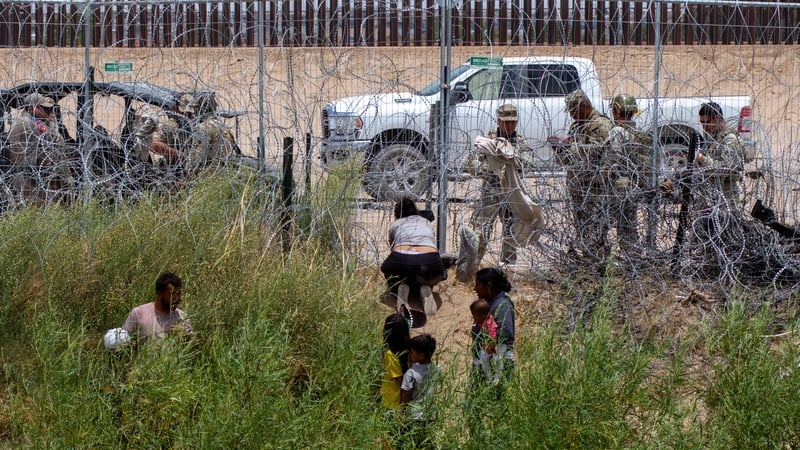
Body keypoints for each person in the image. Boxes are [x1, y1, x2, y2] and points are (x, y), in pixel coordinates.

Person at [550, 89, 613, 265]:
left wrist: (568, 147)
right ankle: (589, 264)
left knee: (596, 230)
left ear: (584, 106)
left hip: (595, 188)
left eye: (573, 111)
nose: (571, 115)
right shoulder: (577, 125)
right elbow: (567, 159)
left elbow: (596, 153)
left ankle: (598, 265)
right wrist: (560, 149)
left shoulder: (600, 125)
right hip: (578, 186)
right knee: (583, 230)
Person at [471, 103, 526, 266]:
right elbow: (472, 165)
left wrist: (514, 162)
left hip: (512, 191)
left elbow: (527, 164)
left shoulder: (520, 142)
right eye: (506, 122)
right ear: (498, 121)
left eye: (512, 122)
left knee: (511, 228)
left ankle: (508, 265)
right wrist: (490, 168)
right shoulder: (487, 141)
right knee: (482, 229)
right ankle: (473, 263)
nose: (509, 126)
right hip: (491, 190)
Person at [604, 94, 654, 257]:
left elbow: (614, 158)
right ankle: (632, 255)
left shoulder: (617, 131)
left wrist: (602, 170)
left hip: (619, 184)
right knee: (628, 223)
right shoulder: (638, 133)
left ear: (617, 110)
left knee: (611, 222)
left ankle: (626, 257)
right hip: (634, 183)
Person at [380, 196, 444, 315]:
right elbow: (431, 243)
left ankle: (400, 288)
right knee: (441, 273)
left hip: (402, 258)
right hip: (429, 261)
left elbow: (392, 247)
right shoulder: (426, 222)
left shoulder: (396, 224)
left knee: (387, 269)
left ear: (397, 213)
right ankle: (426, 287)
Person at [8, 93, 72, 205]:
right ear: (33, 108)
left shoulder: (35, 123)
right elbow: (54, 145)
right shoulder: (25, 124)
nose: (49, 112)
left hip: (40, 180)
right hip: (31, 182)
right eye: (45, 109)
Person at [694, 101, 746, 209]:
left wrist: (701, 158)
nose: (704, 127)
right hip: (715, 197)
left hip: (726, 200)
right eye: (702, 123)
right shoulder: (716, 139)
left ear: (716, 118)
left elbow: (723, 168)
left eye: (706, 122)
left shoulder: (730, 140)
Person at [121, 272, 193, 345]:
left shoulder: (181, 317)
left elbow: (194, 348)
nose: (177, 298)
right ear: (159, 293)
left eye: (179, 293)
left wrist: (186, 336)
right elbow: (122, 343)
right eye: (172, 294)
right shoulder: (139, 313)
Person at [399, 333, 438, 448]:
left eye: (411, 353)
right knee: (426, 443)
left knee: (414, 444)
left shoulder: (411, 373)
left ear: (421, 356)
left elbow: (406, 394)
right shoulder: (437, 369)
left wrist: (401, 412)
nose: (409, 355)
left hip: (414, 416)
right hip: (430, 414)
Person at [184, 90, 237, 175]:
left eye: (195, 108)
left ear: (200, 109)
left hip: (210, 174)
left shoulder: (203, 128)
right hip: (225, 172)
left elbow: (196, 156)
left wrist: (186, 173)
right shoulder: (222, 126)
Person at [150, 93, 197, 167]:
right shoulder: (171, 125)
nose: (186, 114)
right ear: (176, 109)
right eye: (183, 111)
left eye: (189, 112)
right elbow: (155, 144)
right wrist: (176, 154)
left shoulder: (196, 124)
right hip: (177, 165)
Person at [381, 312, 411, 409]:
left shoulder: (390, 354)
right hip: (404, 400)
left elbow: (399, 380)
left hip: (392, 401)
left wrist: (402, 407)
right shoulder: (410, 349)